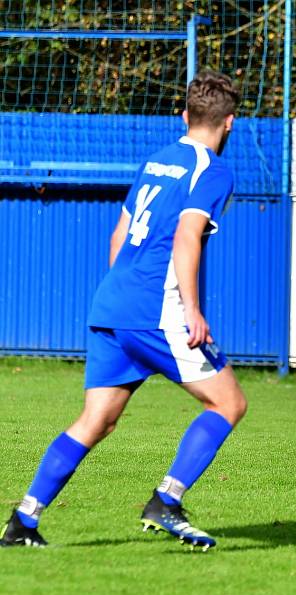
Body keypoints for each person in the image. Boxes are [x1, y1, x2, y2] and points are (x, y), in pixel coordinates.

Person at [0, 70, 248, 549]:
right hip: (156, 309)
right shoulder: (214, 170)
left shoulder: (156, 162)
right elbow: (186, 235)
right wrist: (191, 309)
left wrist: (124, 295)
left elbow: (120, 234)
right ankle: (166, 502)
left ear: (184, 115)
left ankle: (22, 522)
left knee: (97, 420)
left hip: (111, 303)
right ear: (230, 122)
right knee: (229, 402)